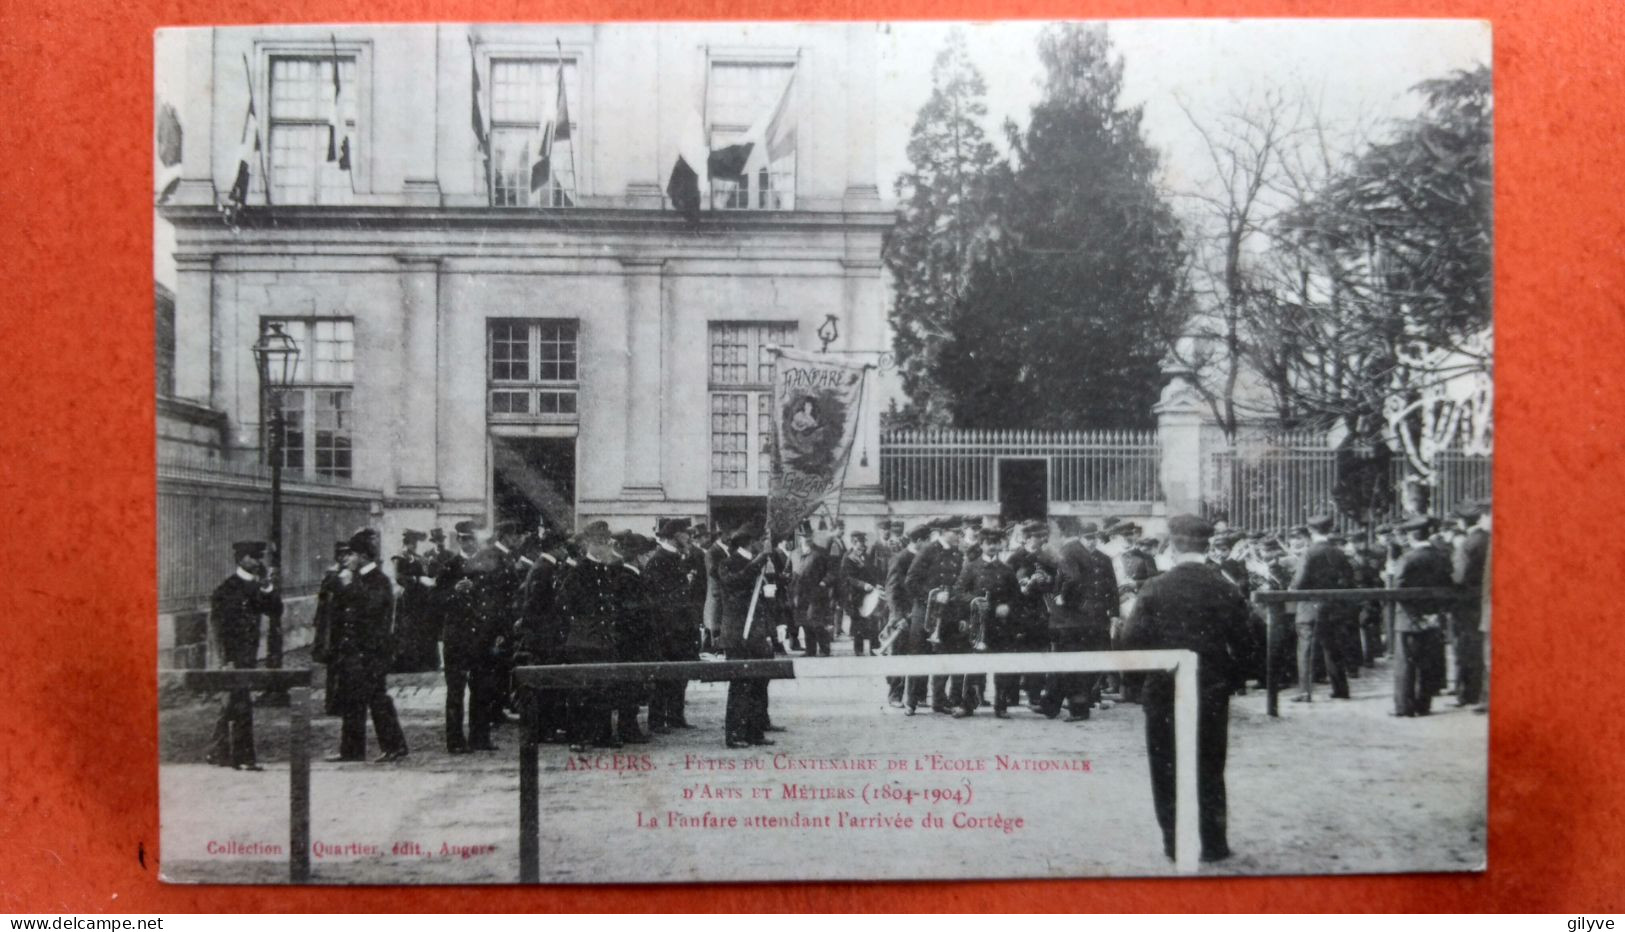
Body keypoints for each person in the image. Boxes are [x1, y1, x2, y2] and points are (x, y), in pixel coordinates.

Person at [1121, 514, 1252, 864]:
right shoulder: (1225, 586)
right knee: (1210, 764)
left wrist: (1138, 685)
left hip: (1164, 690)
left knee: (1165, 766)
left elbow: (1130, 640)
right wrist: (1232, 679)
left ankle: (1174, 843)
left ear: (1174, 546)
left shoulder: (1155, 587)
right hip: (1211, 689)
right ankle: (1213, 844)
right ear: (1207, 545)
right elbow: (1247, 640)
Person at [326, 528, 409, 763]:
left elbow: (370, 610)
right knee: (352, 701)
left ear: (362, 556)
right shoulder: (357, 579)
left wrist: (349, 585)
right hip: (354, 652)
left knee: (377, 699)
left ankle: (395, 746)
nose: (347, 559)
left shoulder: (378, 580)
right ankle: (351, 750)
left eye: (351, 554)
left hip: (372, 652)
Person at [206, 540, 282, 771]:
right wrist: (225, 660)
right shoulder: (226, 589)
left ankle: (217, 751)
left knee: (234, 702)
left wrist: (269, 587)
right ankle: (243, 758)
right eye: (254, 557)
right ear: (241, 559)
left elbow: (275, 611)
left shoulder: (255, 586)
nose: (259, 562)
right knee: (241, 703)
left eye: (260, 557)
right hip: (233, 657)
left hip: (247, 656)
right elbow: (220, 629)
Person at [554, 521, 625, 752]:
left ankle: (602, 734)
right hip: (584, 639)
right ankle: (578, 736)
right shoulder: (577, 571)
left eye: (607, 542)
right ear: (590, 545)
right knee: (581, 690)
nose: (606, 547)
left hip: (604, 639)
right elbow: (564, 604)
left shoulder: (607, 570)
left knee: (604, 687)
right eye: (601, 542)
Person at [1042, 518, 1118, 721]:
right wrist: (1064, 597)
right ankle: (1073, 707)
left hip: (1096, 620)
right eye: (1088, 538)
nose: (1092, 542)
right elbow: (1071, 579)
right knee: (1073, 664)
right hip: (1072, 619)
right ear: (1080, 537)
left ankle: (1052, 703)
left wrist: (1115, 613)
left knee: (1090, 663)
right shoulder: (1070, 551)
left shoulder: (1103, 559)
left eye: (1095, 538)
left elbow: (1112, 588)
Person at [718, 525, 777, 748]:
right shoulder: (728, 562)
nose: (765, 544)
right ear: (750, 542)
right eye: (763, 540)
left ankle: (754, 732)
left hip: (756, 634)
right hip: (738, 634)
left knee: (758, 684)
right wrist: (760, 560)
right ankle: (735, 734)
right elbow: (734, 583)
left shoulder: (757, 564)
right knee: (740, 686)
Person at [1392, 516, 1455, 717]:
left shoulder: (1407, 558)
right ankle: (1424, 705)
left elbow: (1398, 590)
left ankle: (1405, 707)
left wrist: (1415, 615)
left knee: (1406, 664)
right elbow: (1449, 586)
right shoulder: (1442, 557)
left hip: (1409, 619)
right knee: (1427, 662)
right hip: (1434, 617)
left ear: (1411, 536)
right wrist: (1436, 613)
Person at [1288, 514, 1353, 702]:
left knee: (1306, 649)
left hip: (1309, 607)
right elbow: (1349, 580)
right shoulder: (1339, 552)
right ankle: (1341, 689)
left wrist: (1292, 587)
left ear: (1310, 530)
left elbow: (1299, 583)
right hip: (1333, 607)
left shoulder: (1309, 553)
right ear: (1330, 529)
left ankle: (1305, 692)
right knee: (1333, 648)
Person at [903, 518, 964, 715]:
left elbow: (958, 584)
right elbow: (911, 581)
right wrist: (934, 595)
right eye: (956, 531)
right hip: (925, 612)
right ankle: (911, 701)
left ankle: (939, 700)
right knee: (918, 656)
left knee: (944, 657)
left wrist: (951, 596)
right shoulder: (928, 550)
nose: (959, 535)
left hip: (947, 613)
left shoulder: (956, 553)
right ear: (944, 531)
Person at [439, 519, 489, 753]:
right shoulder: (449, 566)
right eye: (465, 539)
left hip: (480, 637)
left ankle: (480, 738)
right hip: (456, 637)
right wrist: (454, 592)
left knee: (481, 689)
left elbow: (494, 601)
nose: (469, 543)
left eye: (473, 539)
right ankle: (455, 741)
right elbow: (435, 602)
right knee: (455, 691)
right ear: (458, 540)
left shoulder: (486, 565)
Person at [646, 519, 699, 734]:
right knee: (664, 674)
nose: (689, 537)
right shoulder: (659, 560)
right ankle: (657, 719)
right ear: (674, 535)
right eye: (685, 533)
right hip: (667, 628)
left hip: (681, 627)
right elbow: (657, 596)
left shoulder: (675, 558)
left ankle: (675, 716)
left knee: (680, 672)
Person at [1451, 500, 1490, 707]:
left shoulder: (1467, 545)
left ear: (1463, 522)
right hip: (1484, 602)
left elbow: (1460, 577)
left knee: (1465, 649)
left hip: (1466, 603)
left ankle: (1467, 693)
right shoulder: (1488, 539)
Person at [882, 524, 925, 706]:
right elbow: (891, 590)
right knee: (899, 653)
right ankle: (895, 695)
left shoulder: (925, 558)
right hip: (902, 616)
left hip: (919, 614)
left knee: (921, 652)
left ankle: (919, 695)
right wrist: (898, 617)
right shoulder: (900, 559)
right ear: (919, 541)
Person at [310, 540, 351, 717]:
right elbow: (322, 600)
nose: (344, 558)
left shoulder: (351, 574)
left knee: (346, 665)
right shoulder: (332, 575)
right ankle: (332, 703)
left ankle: (344, 701)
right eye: (341, 555)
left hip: (345, 624)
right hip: (333, 626)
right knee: (334, 665)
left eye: (347, 554)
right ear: (337, 557)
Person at [391, 529, 440, 673]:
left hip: (421, 598)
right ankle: (407, 663)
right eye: (411, 543)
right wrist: (418, 579)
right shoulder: (399, 557)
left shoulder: (417, 557)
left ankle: (425, 663)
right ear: (405, 543)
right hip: (407, 599)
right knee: (408, 629)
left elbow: (426, 571)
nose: (413, 546)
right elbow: (399, 577)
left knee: (423, 628)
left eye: (414, 544)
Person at [841, 531, 885, 656]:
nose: (863, 545)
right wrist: (863, 585)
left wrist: (876, 584)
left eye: (863, 543)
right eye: (861, 543)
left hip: (869, 594)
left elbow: (872, 573)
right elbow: (849, 578)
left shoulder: (866, 556)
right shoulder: (848, 557)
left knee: (873, 622)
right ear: (854, 543)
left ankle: (874, 648)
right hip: (855, 595)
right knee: (858, 624)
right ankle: (859, 650)